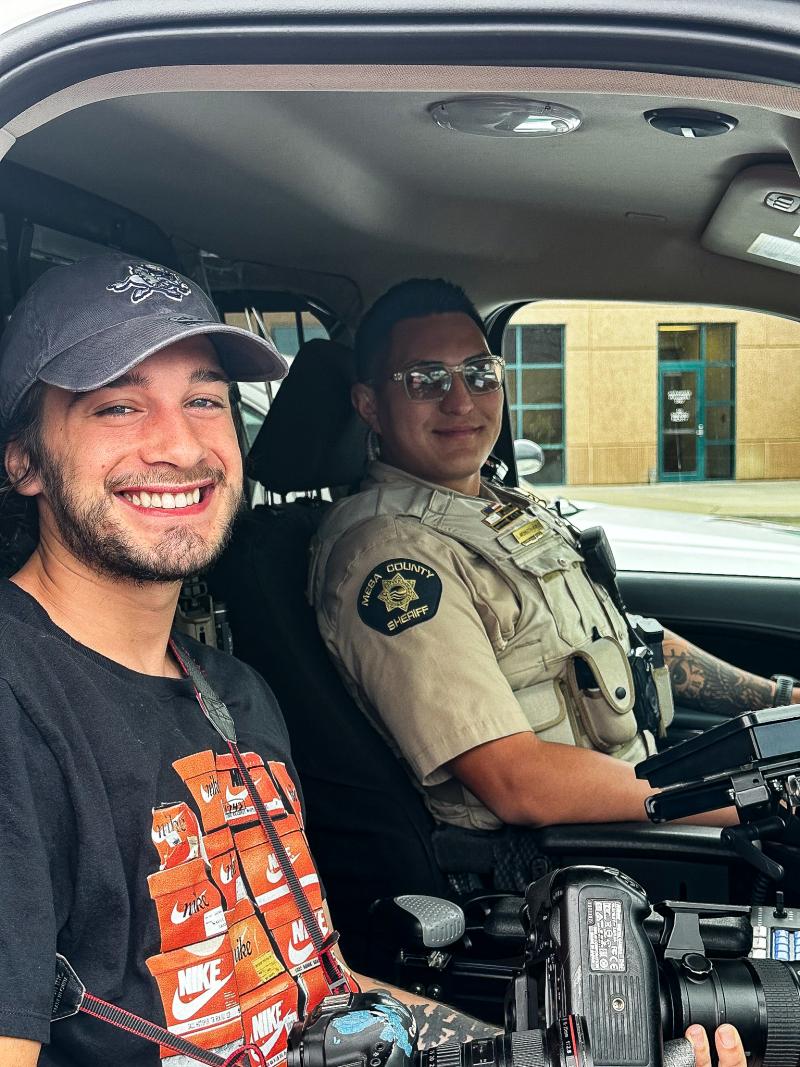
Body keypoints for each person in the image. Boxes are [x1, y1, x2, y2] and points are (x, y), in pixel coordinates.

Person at [0, 255, 499, 1066]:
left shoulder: (237, 692)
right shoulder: (18, 702)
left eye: (204, 399)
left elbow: (316, 991)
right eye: (119, 406)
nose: (179, 444)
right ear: (23, 460)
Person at [310, 278, 798, 834]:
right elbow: (521, 784)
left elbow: (630, 642)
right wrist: (765, 800)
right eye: (426, 380)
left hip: (636, 796)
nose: (461, 400)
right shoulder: (392, 559)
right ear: (369, 405)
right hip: (564, 861)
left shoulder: (501, 507)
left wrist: (783, 700)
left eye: (479, 373)